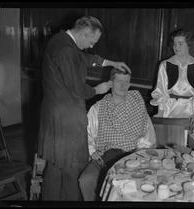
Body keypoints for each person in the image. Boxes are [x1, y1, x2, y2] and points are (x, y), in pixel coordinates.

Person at [37, 16, 131, 201]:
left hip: (56, 115)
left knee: (55, 168)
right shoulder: (65, 49)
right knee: (72, 168)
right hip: (66, 119)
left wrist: (109, 62)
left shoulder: (62, 40)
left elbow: (83, 58)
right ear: (81, 33)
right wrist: (98, 89)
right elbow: (77, 88)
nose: (91, 46)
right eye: (91, 41)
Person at [78, 67, 156, 201]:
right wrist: (92, 151)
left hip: (131, 156)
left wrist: (139, 151)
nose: (124, 85)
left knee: (131, 186)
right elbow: (87, 134)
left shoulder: (137, 104)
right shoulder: (98, 107)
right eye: (119, 81)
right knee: (85, 180)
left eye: (127, 82)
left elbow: (147, 134)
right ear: (111, 83)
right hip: (105, 157)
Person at [150, 28, 194, 129]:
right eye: (174, 44)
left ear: (188, 44)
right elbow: (161, 91)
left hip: (188, 111)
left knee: (184, 141)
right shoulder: (165, 65)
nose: (176, 47)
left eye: (180, 44)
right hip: (169, 109)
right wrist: (160, 114)